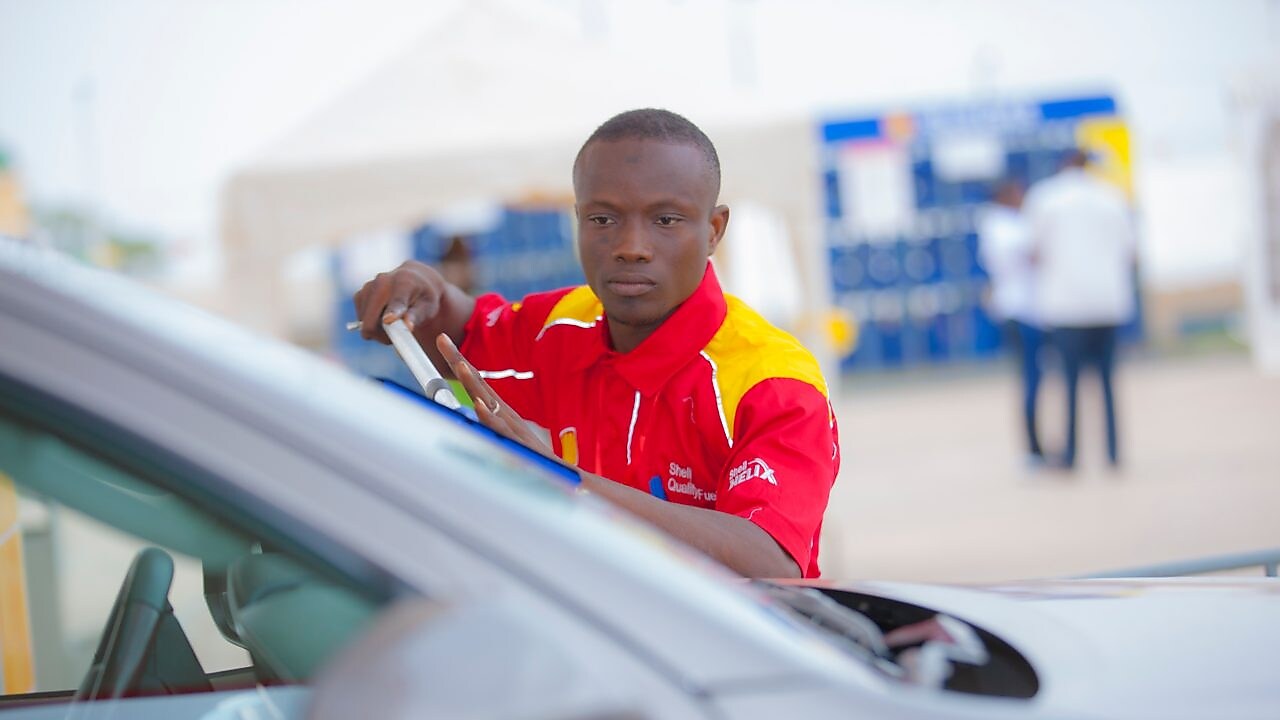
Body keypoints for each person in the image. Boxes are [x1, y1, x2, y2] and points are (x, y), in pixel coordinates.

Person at [353, 109, 839, 578]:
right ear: (578, 220)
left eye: (666, 220)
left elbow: (768, 561)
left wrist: (565, 482)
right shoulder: (558, 327)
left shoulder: (772, 382)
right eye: (603, 220)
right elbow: (458, 328)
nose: (631, 246)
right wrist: (420, 290)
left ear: (713, 230)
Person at [1023, 149, 1137, 469]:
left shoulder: (1045, 198)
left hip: (1065, 305)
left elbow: (1033, 252)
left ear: (1061, 165)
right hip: (1108, 302)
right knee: (1107, 383)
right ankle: (1113, 454)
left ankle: (1071, 455)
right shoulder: (1112, 196)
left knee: (1070, 385)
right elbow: (1131, 252)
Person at [977, 180, 1045, 464]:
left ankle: (1036, 447)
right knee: (1031, 380)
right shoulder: (1001, 227)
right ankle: (1032, 449)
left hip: (1022, 309)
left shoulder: (1002, 225)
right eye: (1017, 191)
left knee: (1033, 380)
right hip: (1020, 311)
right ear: (1005, 194)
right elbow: (1034, 254)